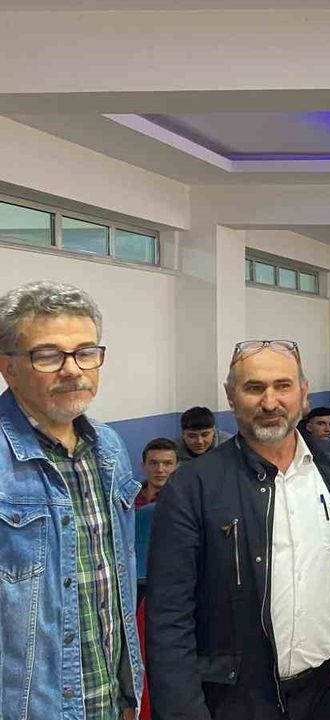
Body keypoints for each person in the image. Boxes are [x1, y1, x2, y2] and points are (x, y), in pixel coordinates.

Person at [147, 338, 330, 720]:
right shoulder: (192, 487)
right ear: (231, 396)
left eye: (283, 386)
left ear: (304, 393)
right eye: (254, 387)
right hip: (239, 699)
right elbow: (169, 617)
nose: (270, 402)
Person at [0, 280, 144, 720]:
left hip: (109, 701)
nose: (72, 369)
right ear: (8, 367)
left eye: (85, 352)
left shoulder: (110, 448)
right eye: (48, 355)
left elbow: (115, 583)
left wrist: (127, 694)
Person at [136, 437, 180, 507]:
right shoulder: (128, 499)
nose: (160, 470)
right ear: (143, 466)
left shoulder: (186, 502)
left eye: (167, 463)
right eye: (153, 463)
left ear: (177, 467)